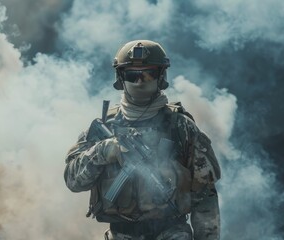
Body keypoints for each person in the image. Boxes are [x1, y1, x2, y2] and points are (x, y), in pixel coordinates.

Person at [64, 40, 221, 240]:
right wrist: (102, 152)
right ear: (121, 78)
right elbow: (72, 181)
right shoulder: (106, 126)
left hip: (171, 233)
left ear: (161, 76)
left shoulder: (180, 127)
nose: (140, 81)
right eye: (132, 75)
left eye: (148, 73)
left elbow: (205, 197)